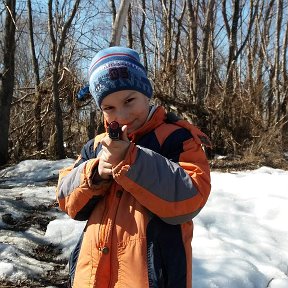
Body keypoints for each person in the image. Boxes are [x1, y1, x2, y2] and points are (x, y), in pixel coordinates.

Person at [56, 46, 211, 288]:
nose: (122, 115)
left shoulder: (176, 138)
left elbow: (191, 198)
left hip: (152, 278)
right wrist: (95, 173)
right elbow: (66, 199)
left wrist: (130, 159)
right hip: (93, 276)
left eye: (129, 101)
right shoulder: (96, 146)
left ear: (146, 94)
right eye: (109, 108)